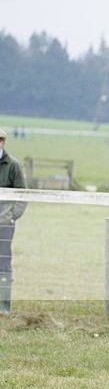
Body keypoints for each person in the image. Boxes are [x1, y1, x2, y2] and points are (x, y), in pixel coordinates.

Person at [0, 128, 28, 314]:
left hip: (4, 224)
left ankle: (4, 305)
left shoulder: (13, 166)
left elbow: (22, 195)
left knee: (3, 262)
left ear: (2, 142)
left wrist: (11, 217)